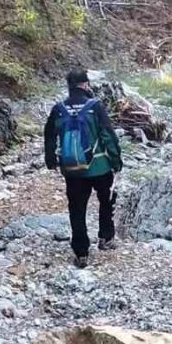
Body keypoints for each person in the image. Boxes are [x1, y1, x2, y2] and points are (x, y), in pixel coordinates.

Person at [44, 69, 123, 267]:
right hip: (99, 166)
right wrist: (116, 161)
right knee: (106, 200)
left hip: (72, 169)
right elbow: (108, 135)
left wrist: (51, 160)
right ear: (86, 84)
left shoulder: (58, 108)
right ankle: (106, 238)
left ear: (69, 86)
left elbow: (49, 135)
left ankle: (81, 252)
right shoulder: (95, 106)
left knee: (77, 208)